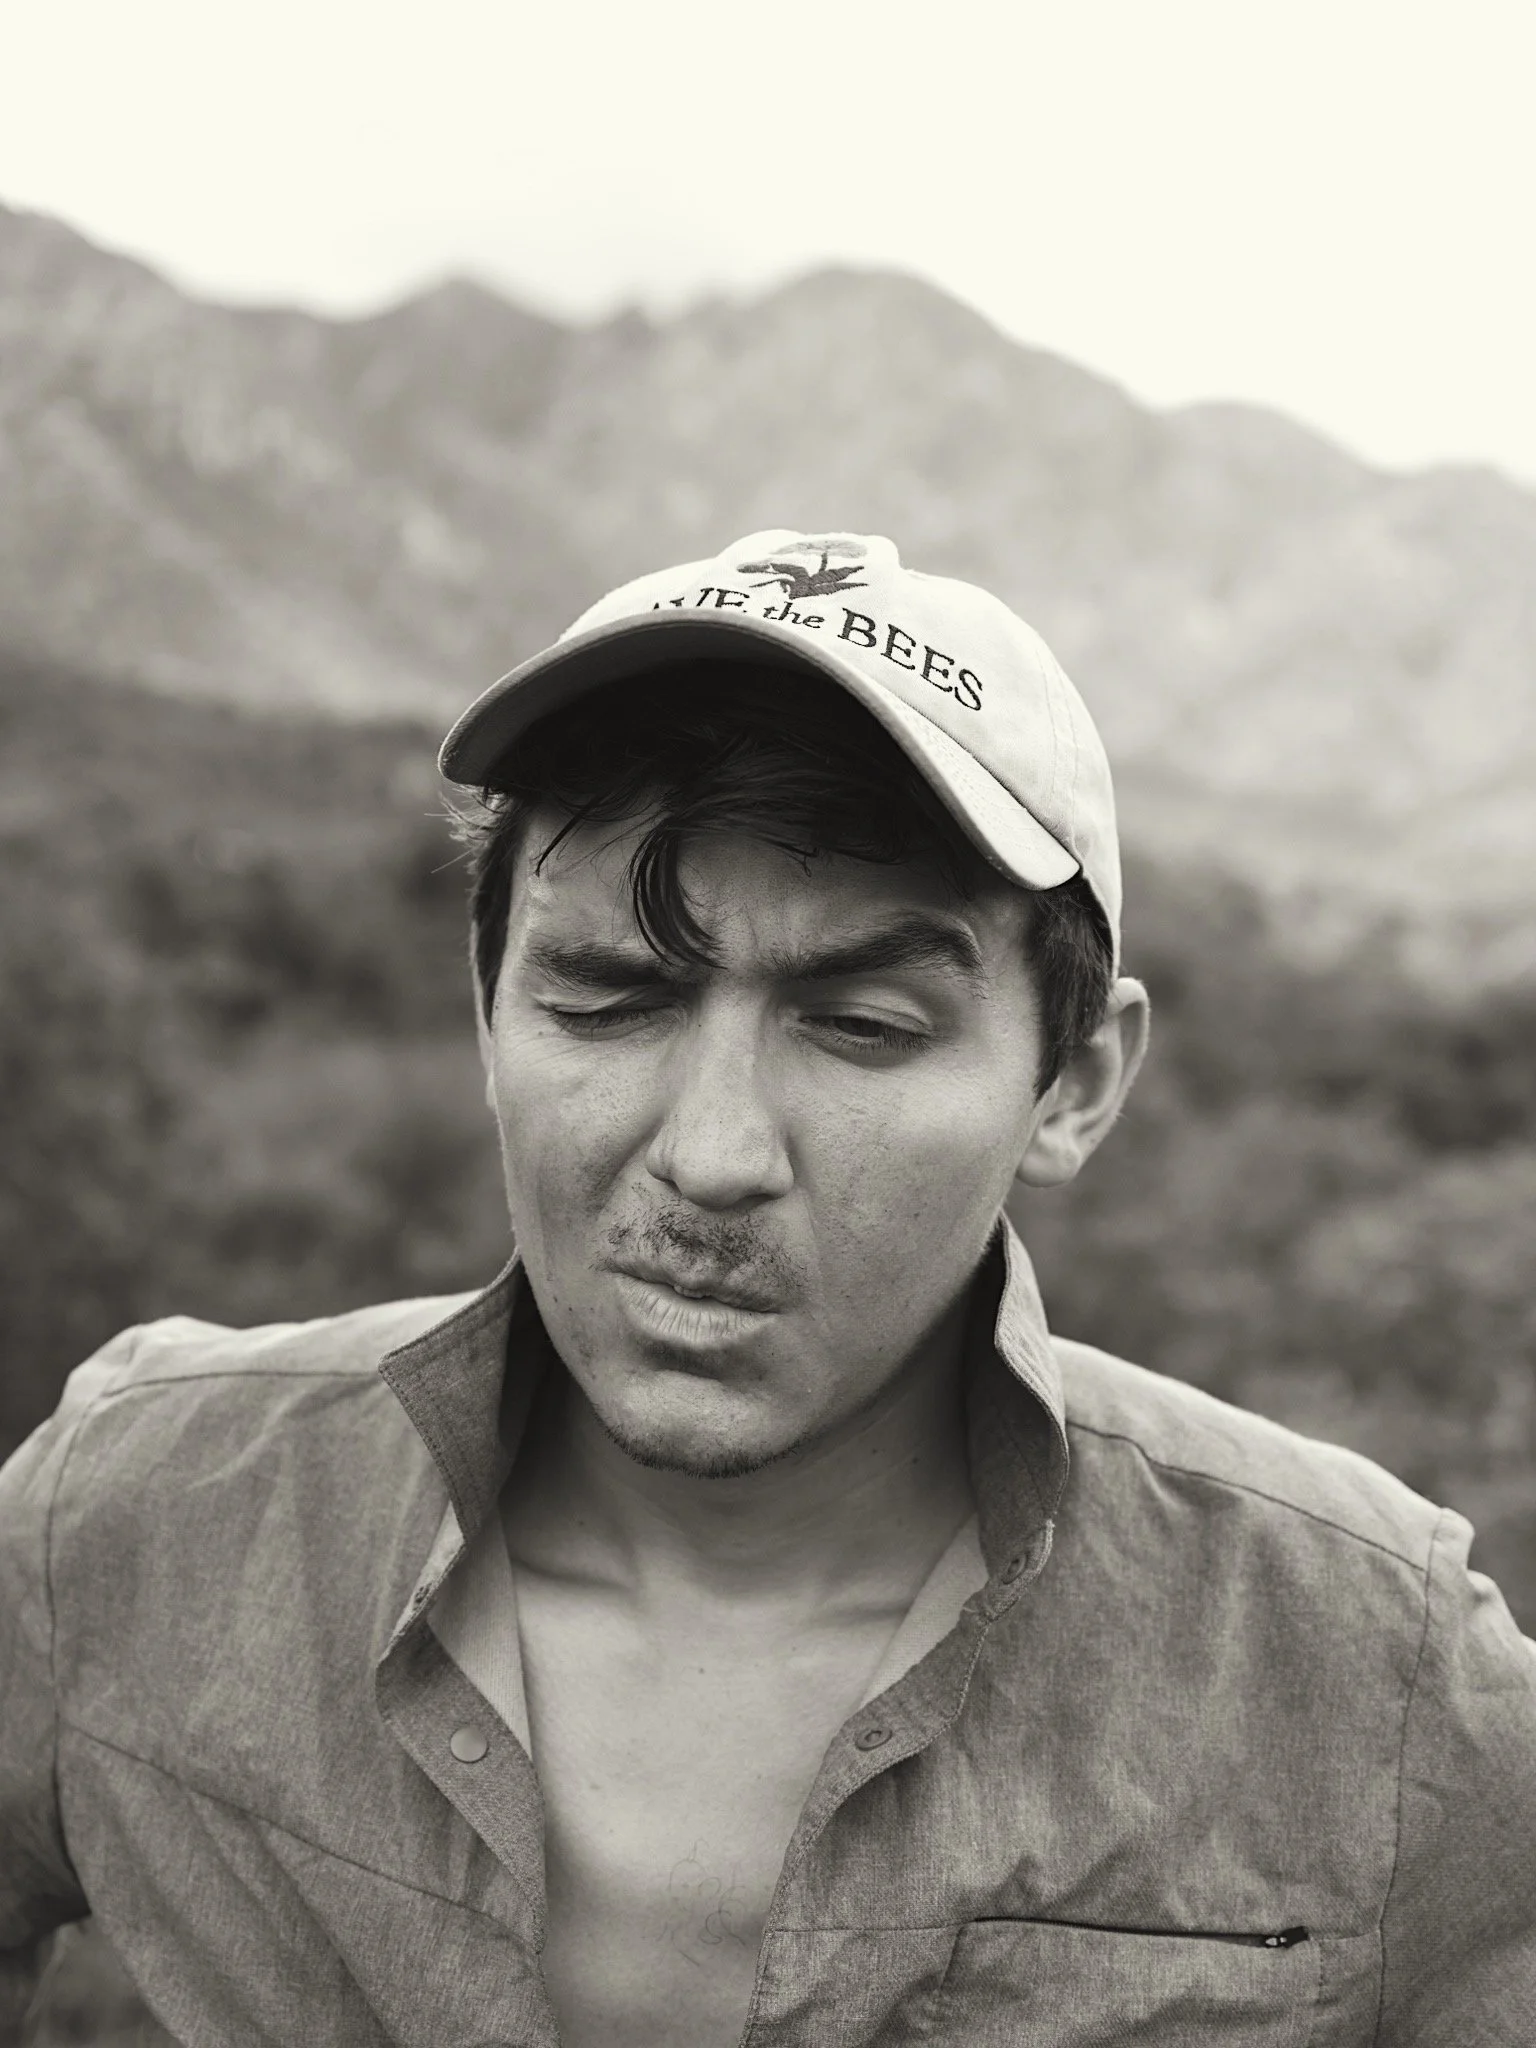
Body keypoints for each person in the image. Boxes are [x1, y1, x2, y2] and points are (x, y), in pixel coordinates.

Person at [2, 529, 1533, 2047]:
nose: (714, 1153)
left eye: (864, 1024)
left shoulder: (1381, 1675)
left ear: (1074, 1082)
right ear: (485, 1016)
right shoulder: (136, 1516)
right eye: (606, 998)